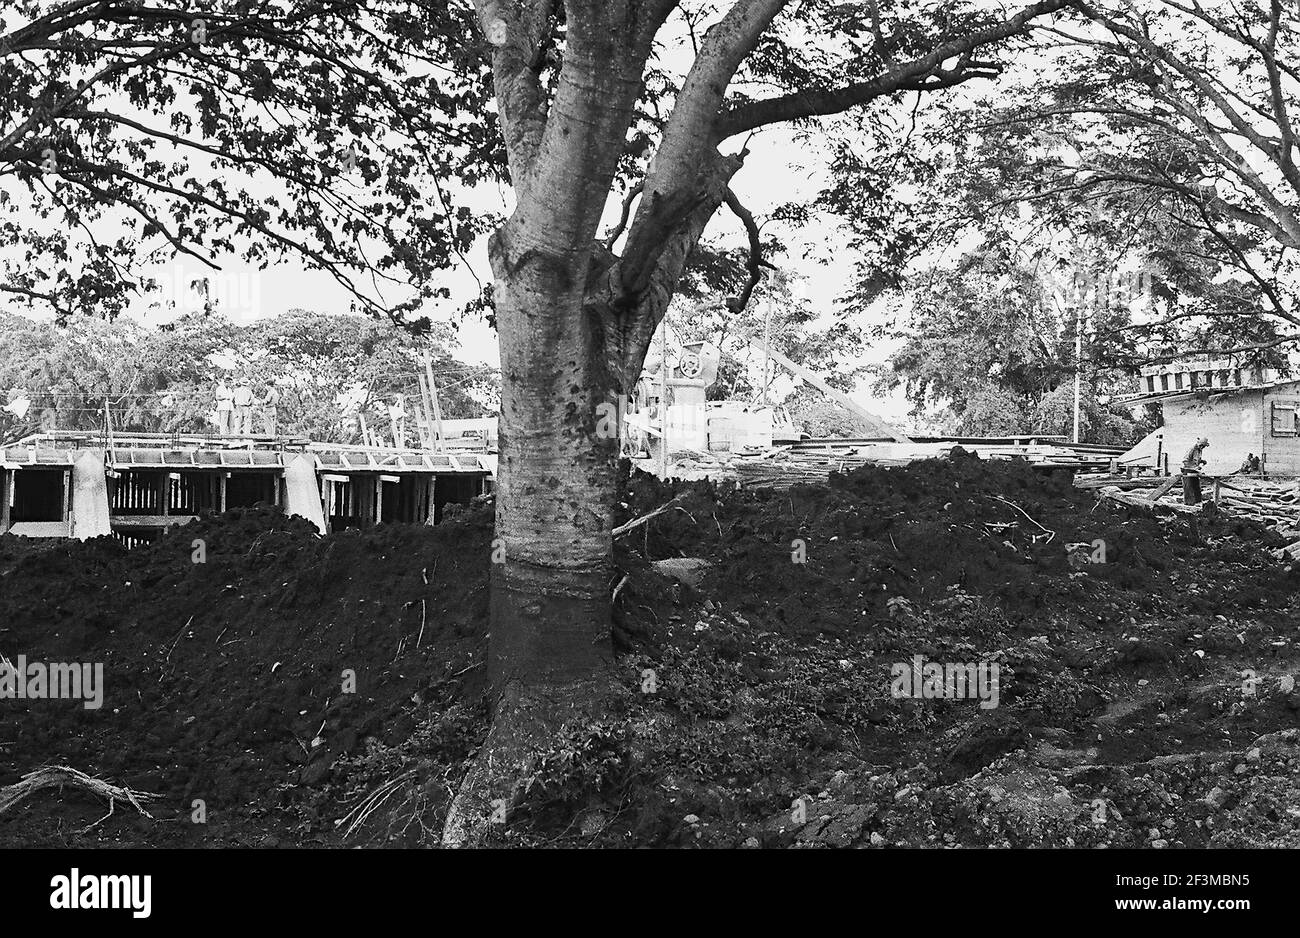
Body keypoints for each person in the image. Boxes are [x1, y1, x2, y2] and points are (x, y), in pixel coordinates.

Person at [1182, 436, 1209, 504]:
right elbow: (1185, 461)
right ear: (1199, 444)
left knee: (1196, 488)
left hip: (1194, 471)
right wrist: (1194, 467)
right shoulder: (1192, 449)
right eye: (1201, 446)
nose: (1202, 447)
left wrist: (1202, 461)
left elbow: (1195, 461)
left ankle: (1198, 503)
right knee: (1189, 488)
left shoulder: (1199, 450)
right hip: (1187, 470)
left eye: (1204, 446)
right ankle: (1189, 505)